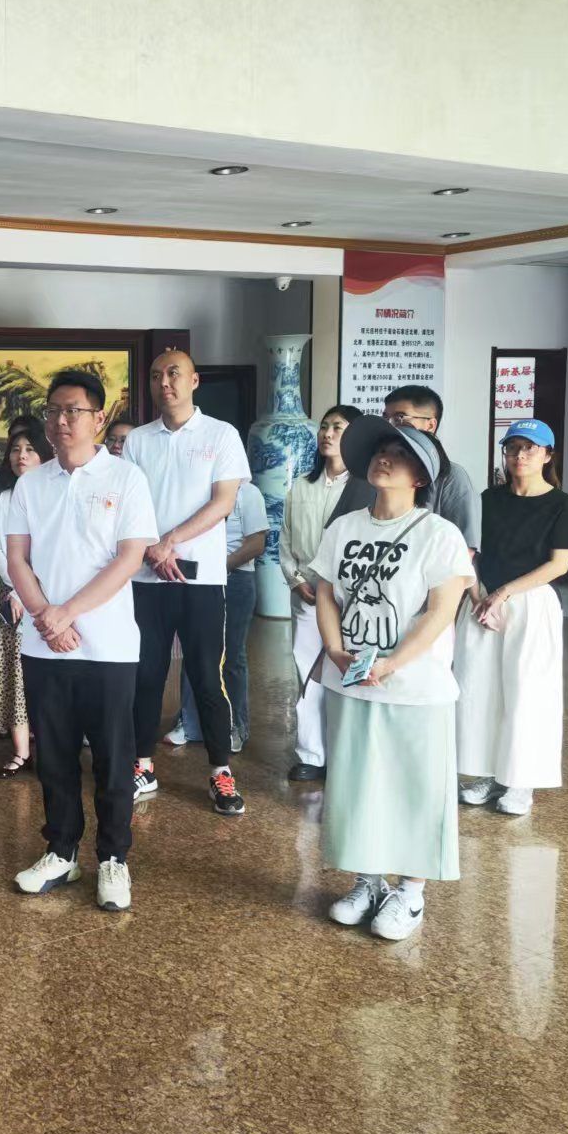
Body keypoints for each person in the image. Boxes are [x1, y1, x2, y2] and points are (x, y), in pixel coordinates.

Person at [311, 418, 475, 941]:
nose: (386, 458)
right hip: (349, 678)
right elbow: (325, 594)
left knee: (415, 785)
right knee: (358, 782)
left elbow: (440, 611)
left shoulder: (439, 535)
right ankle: (368, 880)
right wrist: (334, 650)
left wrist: (392, 663)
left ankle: (411, 892)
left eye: (400, 455)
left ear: (420, 477)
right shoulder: (344, 528)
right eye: (382, 450)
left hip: (414, 686)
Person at [6, 372, 157, 910]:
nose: (61, 420)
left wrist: (66, 611)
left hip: (108, 646)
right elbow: (16, 558)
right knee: (54, 756)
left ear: (99, 417)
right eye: (53, 411)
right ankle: (62, 850)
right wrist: (47, 618)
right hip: (44, 644)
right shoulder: (31, 484)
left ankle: (113, 857)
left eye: (73, 410)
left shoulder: (126, 478)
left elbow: (130, 558)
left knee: (114, 759)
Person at [122, 349, 251, 815]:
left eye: (174, 373)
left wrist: (170, 542)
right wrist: (152, 551)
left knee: (206, 677)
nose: (165, 382)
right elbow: (130, 504)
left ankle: (220, 772)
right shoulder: (138, 440)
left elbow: (223, 502)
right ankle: (142, 765)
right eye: (156, 375)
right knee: (145, 674)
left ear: (194, 380)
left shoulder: (221, 434)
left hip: (202, 580)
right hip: (146, 578)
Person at [456, 419, 568, 817]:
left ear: (547, 455)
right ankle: (488, 773)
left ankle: (521, 781)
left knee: (528, 691)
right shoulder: (487, 499)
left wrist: (503, 593)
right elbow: (469, 553)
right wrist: (477, 595)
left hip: (531, 601)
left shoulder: (564, 505)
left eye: (530, 448)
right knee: (478, 688)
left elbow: (559, 564)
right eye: (513, 448)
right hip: (481, 602)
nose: (520, 456)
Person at [279, 404, 368, 782]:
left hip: (347, 598)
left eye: (339, 428)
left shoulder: (364, 486)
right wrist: (294, 578)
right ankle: (311, 754)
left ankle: (347, 754)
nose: (328, 434)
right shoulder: (302, 485)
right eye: (325, 426)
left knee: (346, 671)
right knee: (308, 672)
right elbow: (285, 538)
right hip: (306, 593)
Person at [165, 477, 267, 753]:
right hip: (194, 578)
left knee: (231, 656)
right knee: (194, 652)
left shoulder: (248, 493)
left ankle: (236, 726)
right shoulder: (194, 488)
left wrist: (218, 568)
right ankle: (189, 723)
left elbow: (256, 543)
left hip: (234, 579)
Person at [0, 417, 52, 777]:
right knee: (16, 674)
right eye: (15, 449)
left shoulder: (55, 494)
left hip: (53, 595)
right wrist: (19, 590)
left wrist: (37, 591)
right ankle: (22, 752)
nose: (21, 456)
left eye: (29, 449)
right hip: (11, 593)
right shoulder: (3, 497)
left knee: (51, 674)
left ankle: (54, 749)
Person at [382, 385, 479, 552]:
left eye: (400, 418)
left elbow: (464, 551)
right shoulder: (378, 470)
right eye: (385, 418)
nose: (390, 426)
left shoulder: (452, 476)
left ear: (430, 425)